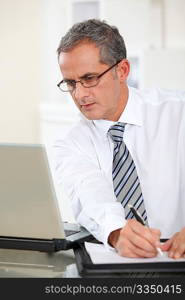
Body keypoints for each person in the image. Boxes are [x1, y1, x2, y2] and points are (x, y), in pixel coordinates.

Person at [54, 19, 185, 258]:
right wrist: (116, 231)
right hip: (115, 268)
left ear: (122, 70)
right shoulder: (70, 142)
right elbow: (89, 193)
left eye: (90, 78)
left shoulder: (178, 113)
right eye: (71, 83)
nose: (80, 94)